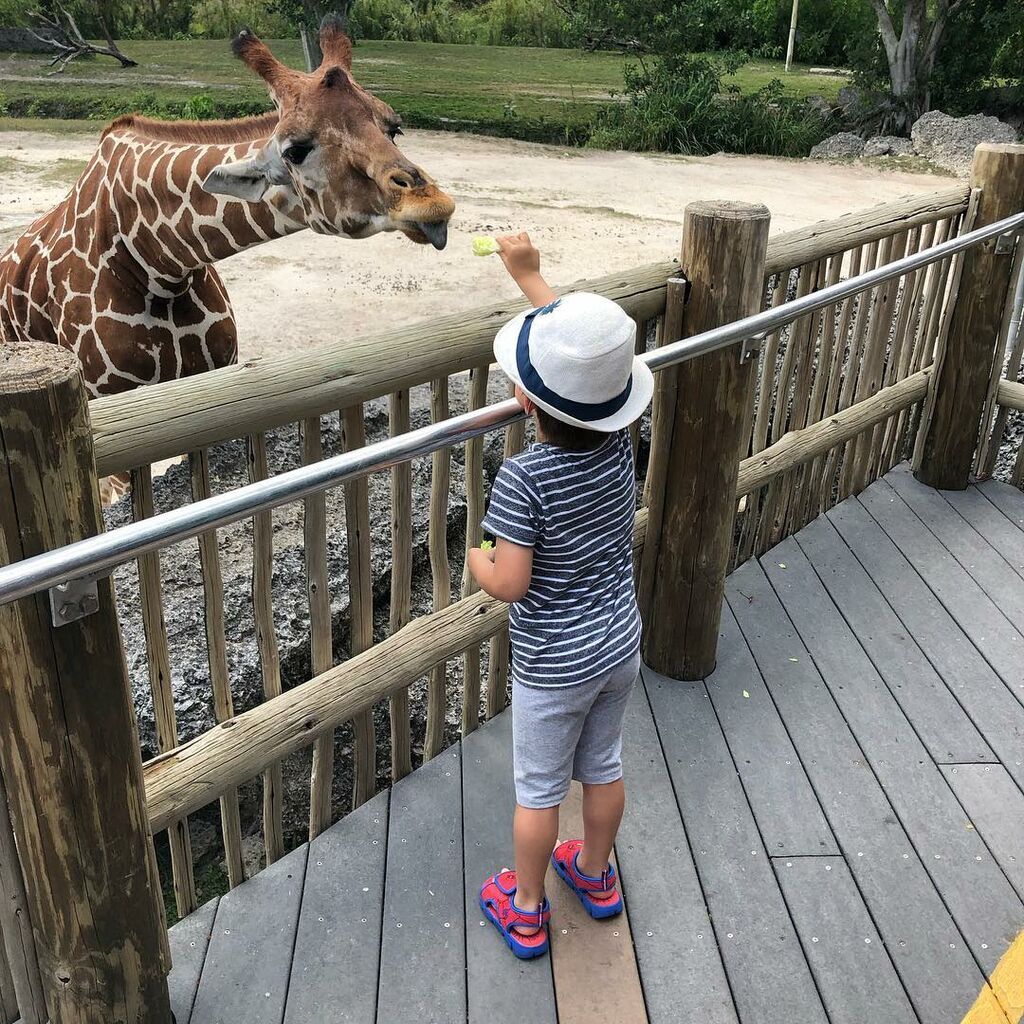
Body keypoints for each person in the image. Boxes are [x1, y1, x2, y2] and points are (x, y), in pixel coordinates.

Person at [467, 232, 654, 959]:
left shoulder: (524, 480)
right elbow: (586, 365)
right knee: (603, 766)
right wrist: (532, 279)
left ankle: (524, 908)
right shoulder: (619, 444)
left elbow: (510, 582)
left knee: (539, 791)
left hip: (554, 667)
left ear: (525, 398)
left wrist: (478, 558)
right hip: (618, 644)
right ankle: (597, 875)